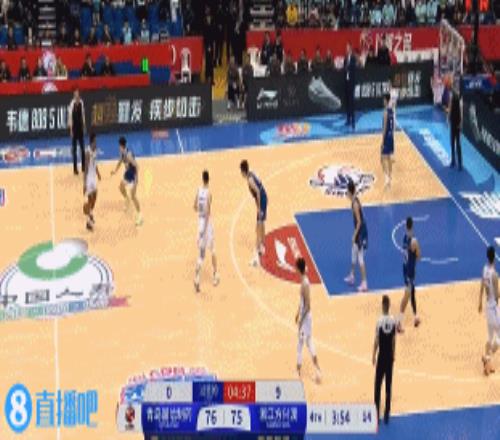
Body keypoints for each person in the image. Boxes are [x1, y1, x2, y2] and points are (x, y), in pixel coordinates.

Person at [295, 257, 321, 383]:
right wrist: (297, 313)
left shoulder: (305, 284)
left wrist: (301, 320)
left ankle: (298, 372)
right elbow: (302, 302)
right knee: (309, 343)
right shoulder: (304, 281)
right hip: (306, 318)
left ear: (298, 269)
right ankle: (318, 370)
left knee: (300, 345)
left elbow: (308, 305)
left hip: (305, 319)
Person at [193, 170, 219, 292]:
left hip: (200, 223)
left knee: (201, 255)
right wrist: (205, 229)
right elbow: (208, 212)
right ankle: (215, 275)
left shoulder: (198, 190)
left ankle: (197, 278)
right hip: (207, 225)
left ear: (202, 179)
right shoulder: (209, 193)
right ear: (209, 179)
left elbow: (194, 207)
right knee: (213, 250)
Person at [372, 295, 396, 424]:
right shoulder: (393, 321)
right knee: (388, 385)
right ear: (389, 306)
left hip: (381, 357)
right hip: (389, 357)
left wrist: (373, 354)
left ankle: (376, 413)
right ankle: (387, 413)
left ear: (383, 306)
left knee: (377, 385)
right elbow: (393, 339)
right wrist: (394, 353)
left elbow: (377, 340)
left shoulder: (379, 321)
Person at [240, 160, 267, 267]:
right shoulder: (252, 172)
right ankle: (262, 247)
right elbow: (260, 184)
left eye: (241, 171)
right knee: (262, 223)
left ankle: (256, 258)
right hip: (264, 198)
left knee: (257, 228)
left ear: (243, 171)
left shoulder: (250, 180)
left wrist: (259, 208)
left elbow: (258, 192)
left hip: (262, 200)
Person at [111, 137, 143, 226]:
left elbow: (137, 166)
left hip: (133, 176)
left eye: (119, 146)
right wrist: (115, 171)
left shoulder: (128, 155)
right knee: (121, 187)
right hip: (128, 174)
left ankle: (140, 216)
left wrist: (136, 180)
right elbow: (119, 162)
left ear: (121, 146)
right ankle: (126, 199)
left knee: (133, 196)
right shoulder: (122, 153)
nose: (118, 147)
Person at [397, 217, 421, 333]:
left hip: (405, 268)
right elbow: (419, 256)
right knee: (406, 296)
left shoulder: (404, 238)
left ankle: (416, 316)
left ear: (406, 226)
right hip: (410, 271)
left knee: (412, 291)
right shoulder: (414, 241)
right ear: (413, 226)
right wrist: (416, 252)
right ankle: (399, 323)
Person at [344, 180, 368, 291]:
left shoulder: (355, 204)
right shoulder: (354, 201)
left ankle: (364, 283)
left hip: (361, 233)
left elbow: (359, 222)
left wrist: (354, 235)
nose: (346, 193)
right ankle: (352, 275)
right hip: (359, 231)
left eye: (347, 191)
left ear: (350, 192)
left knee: (360, 258)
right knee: (353, 252)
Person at [479, 246, 499, 376]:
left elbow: (482, 284)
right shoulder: (494, 275)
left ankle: (487, 361)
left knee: (490, 337)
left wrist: (479, 302)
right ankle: (487, 359)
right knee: (498, 340)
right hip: (494, 309)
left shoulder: (485, 269)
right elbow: (497, 296)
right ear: (494, 257)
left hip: (487, 307)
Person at [83, 133, 101, 231]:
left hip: (94, 178)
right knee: (90, 201)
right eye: (95, 141)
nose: (96, 142)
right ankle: (88, 222)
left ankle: (90, 214)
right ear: (92, 142)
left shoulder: (95, 151)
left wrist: (98, 173)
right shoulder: (87, 152)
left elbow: (95, 163)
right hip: (89, 179)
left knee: (95, 199)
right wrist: (84, 183)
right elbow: (85, 169)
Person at [68, 88, 86, 175]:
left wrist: (84, 126)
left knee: (82, 149)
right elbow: (70, 118)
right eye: (75, 95)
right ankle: (75, 169)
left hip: (80, 129)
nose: (77, 96)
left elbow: (83, 115)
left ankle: (83, 167)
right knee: (74, 150)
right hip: (74, 129)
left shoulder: (81, 103)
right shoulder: (72, 104)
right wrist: (71, 130)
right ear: (74, 96)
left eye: (77, 94)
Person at [381, 93, 395, 189]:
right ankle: (390, 177)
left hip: (386, 137)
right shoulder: (391, 111)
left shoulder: (386, 112)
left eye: (383, 100)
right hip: (391, 137)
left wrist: (382, 141)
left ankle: (387, 180)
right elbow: (392, 126)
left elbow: (384, 128)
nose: (383, 101)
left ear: (386, 100)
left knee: (382, 159)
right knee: (389, 158)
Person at [448, 86, 463, 171]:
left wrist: (461, 123)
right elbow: (450, 108)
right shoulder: (452, 96)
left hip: (457, 122)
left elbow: (461, 111)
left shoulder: (460, 99)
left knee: (458, 144)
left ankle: (460, 163)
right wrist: (448, 118)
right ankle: (453, 161)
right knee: (452, 142)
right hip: (453, 121)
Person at [344, 43, 357, 129]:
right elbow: (344, 68)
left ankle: (353, 121)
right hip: (347, 82)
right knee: (347, 101)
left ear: (350, 49)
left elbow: (353, 68)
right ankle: (348, 119)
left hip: (352, 83)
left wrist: (348, 67)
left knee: (351, 102)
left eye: (348, 48)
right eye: (346, 49)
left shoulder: (353, 58)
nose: (347, 50)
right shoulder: (345, 58)